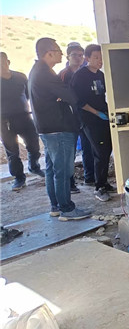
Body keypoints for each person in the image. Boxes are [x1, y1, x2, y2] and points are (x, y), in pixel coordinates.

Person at [27, 38, 91, 221]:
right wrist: (63, 97)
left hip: (47, 128)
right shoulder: (46, 73)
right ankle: (67, 209)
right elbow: (70, 96)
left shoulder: (36, 70)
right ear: (49, 53)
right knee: (63, 171)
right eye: (58, 51)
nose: (61, 54)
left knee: (52, 169)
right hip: (58, 128)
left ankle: (56, 206)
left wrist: (60, 98)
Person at [70, 44, 114, 202]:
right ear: (87, 58)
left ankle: (104, 182)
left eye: (101, 58)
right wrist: (97, 113)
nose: (99, 61)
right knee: (100, 152)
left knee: (107, 150)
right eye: (96, 58)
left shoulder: (100, 75)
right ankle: (99, 187)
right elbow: (79, 101)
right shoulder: (80, 76)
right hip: (90, 120)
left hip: (103, 117)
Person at [0, 52, 45, 191]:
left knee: (34, 145)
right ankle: (19, 178)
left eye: (2, 62)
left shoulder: (20, 77)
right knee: (12, 152)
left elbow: (28, 94)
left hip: (24, 117)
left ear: (8, 62)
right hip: (4, 121)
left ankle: (34, 166)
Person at [58, 42, 95, 192]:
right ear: (68, 57)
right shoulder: (63, 74)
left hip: (85, 116)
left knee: (88, 148)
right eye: (74, 55)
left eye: (80, 55)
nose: (78, 58)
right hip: (69, 119)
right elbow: (60, 96)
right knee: (70, 152)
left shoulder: (86, 72)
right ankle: (70, 183)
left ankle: (90, 178)